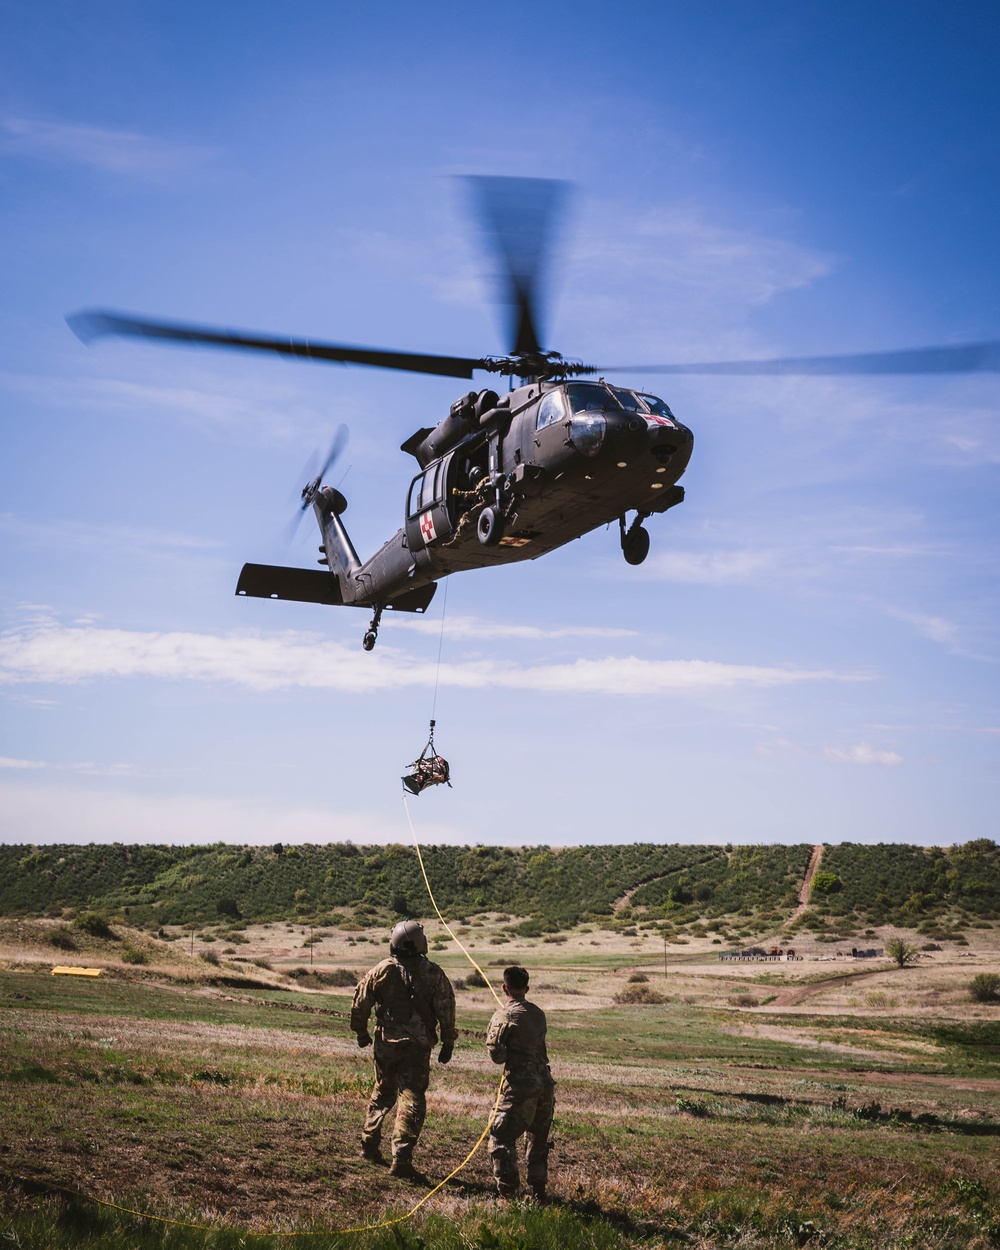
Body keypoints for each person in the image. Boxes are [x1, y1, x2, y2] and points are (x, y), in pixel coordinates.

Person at [350, 919, 457, 1180]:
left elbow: (360, 1002)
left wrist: (362, 1033)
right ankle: (401, 1159)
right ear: (420, 942)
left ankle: (369, 1144)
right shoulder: (433, 973)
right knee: (411, 1098)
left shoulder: (381, 970)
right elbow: (446, 1008)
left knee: (382, 1091)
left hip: (386, 1043)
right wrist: (448, 1042)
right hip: (417, 1047)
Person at [485, 964, 555, 1202]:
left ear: (504, 988)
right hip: (545, 1082)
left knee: (500, 1135)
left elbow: (497, 1056)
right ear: (527, 987)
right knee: (537, 1137)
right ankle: (538, 1191)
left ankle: (508, 1192)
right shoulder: (538, 1013)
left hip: (520, 1083)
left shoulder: (502, 1015)